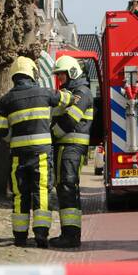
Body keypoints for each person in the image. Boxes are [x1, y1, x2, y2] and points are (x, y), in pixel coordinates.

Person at [0, 56, 70, 248]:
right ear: (32, 74)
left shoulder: (5, 100)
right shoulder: (45, 93)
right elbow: (65, 99)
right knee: (41, 191)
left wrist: (12, 139)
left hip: (18, 155)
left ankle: (19, 237)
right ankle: (41, 235)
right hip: (41, 153)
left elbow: (0, 129)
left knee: (20, 194)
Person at [49, 56, 94, 249]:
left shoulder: (81, 92)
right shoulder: (69, 92)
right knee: (64, 187)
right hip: (66, 148)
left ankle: (71, 236)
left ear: (72, 73)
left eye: (61, 74)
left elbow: (69, 121)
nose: (59, 79)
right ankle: (69, 233)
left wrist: (51, 135)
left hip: (71, 147)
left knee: (67, 187)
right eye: (58, 75)